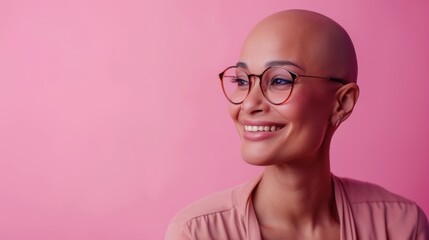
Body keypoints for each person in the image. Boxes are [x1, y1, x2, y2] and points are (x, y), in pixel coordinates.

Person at [165, 9, 429, 240]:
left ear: (342, 103)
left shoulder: (400, 226)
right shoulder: (197, 233)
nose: (247, 104)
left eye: (280, 80)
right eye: (243, 81)